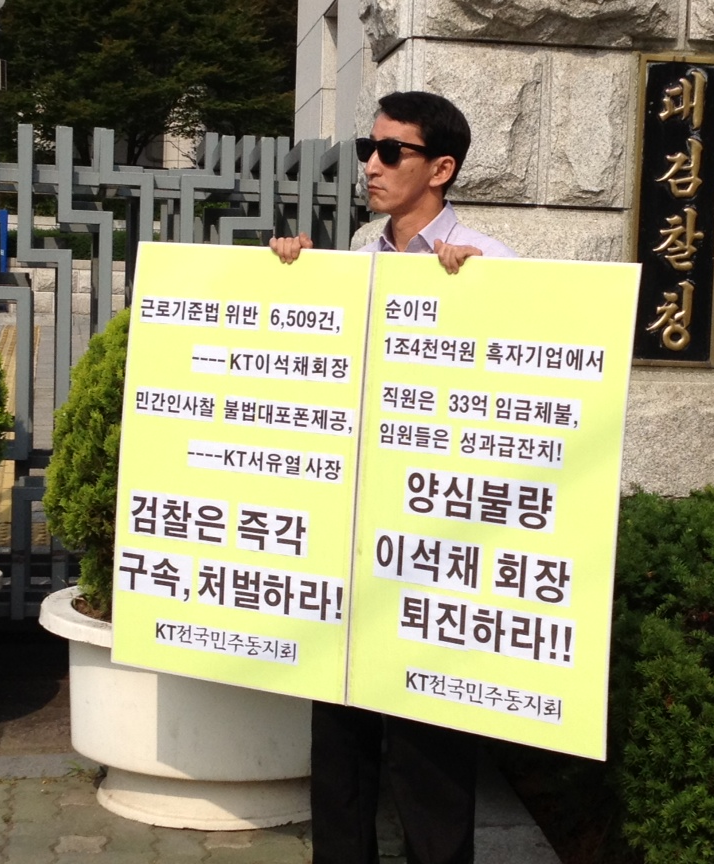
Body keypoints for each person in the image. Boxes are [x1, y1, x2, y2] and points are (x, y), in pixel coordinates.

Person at [269, 90, 517, 864]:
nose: (370, 166)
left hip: (434, 542)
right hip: (349, 538)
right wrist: (290, 279)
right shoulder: (354, 258)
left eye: (390, 152)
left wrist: (480, 305)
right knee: (339, 743)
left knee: (428, 749)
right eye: (366, 150)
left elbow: (520, 399)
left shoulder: (489, 263)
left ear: (440, 169)